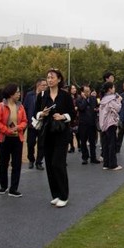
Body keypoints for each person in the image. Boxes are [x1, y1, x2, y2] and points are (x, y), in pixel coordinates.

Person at [35, 68, 75, 208]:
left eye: (52, 77)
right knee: (49, 165)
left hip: (61, 133)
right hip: (47, 133)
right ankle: (56, 194)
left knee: (58, 163)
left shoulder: (65, 96)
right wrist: (42, 114)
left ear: (59, 79)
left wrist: (62, 116)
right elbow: (35, 114)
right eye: (48, 77)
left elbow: (73, 114)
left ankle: (64, 195)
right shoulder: (42, 95)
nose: (49, 80)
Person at [0, 83, 28, 197]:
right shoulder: (0, 106)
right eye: (17, 92)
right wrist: (7, 130)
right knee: (3, 162)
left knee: (17, 163)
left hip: (17, 138)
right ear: (11, 93)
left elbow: (25, 121)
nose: (19, 94)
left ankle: (13, 189)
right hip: (4, 139)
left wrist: (19, 127)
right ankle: (3, 186)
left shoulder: (20, 106)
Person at [23, 78, 47, 170]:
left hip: (42, 124)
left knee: (41, 144)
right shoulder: (29, 95)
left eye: (46, 85)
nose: (45, 87)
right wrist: (27, 120)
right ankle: (31, 160)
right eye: (43, 85)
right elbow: (25, 108)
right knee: (30, 143)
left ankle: (39, 162)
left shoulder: (46, 95)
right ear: (38, 85)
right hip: (31, 124)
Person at [99, 82, 123, 171]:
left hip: (103, 124)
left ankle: (106, 164)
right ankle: (113, 165)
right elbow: (118, 108)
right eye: (113, 87)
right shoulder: (111, 99)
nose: (114, 89)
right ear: (109, 89)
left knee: (105, 144)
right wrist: (119, 100)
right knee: (112, 144)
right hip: (110, 123)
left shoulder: (103, 99)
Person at [76, 84, 99, 164]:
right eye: (86, 91)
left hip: (92, 123)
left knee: (92, 142)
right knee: (83, 141)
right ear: (82, 92)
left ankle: (93, 158)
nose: (88, 93)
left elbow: (96, 107)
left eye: (89, 91)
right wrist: (85, 99)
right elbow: (81, 108)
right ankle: (85, 157)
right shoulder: (79, 99)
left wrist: (96, 109)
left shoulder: (93, 98)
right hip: (83, 124)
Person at [68, 84, 79, 153]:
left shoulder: (78, 97)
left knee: (78, 132)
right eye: (72, 88)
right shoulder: (68, 98)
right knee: (70, 133)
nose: (74, 90)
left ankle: (79, 145)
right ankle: (72, 146)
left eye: (75, 88)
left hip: (77, 117)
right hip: (70, 117)